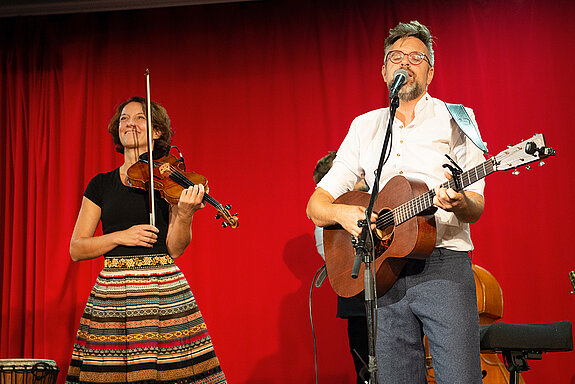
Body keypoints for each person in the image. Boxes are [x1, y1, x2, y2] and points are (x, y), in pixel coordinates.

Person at [306, 21, 485, 383]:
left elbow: (476, 205)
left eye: (416, 57)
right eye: (396, 57)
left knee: (460, 378)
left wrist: (458, 201)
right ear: (384, 70)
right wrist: (343, 213)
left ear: (430, 71)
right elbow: (316, 204)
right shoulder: (365, 126)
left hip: (443, 265)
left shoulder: (457, 118)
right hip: (382, 273)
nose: (405, 62)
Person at [65, 96, 227, 384]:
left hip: (162, 289)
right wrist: (121, 236)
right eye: (125, 119)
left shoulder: (172, 182)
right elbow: (77, 249)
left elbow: (175, 249)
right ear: (118, 130)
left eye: (141, 118)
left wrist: (186, 213)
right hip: (113, 292)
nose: (131, 124)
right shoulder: (100, 184)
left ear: (157, 132)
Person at [313, 151, 370, 384]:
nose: (363, 176)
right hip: (357, 300)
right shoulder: (327, 219)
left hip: (390, 293)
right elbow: (330, 255)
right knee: (367, 371)